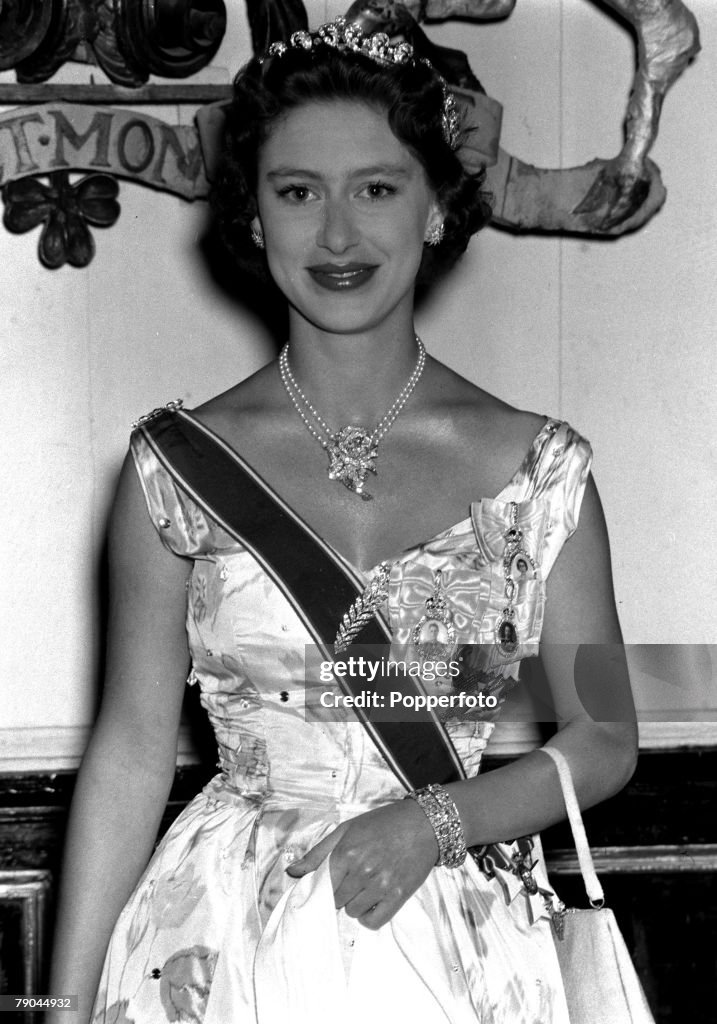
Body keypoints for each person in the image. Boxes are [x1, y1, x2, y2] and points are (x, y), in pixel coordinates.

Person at [48, 18, 638, 1024]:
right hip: (219, 946)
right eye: (296, 192)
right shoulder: (174, 472)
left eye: (377, 188)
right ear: (252, 220)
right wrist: (59, 1006)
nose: (336, 236)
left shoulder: (541, 473)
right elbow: (133, 751)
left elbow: (607, 732)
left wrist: (436, 822)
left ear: (439, 208)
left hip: (453, 935)